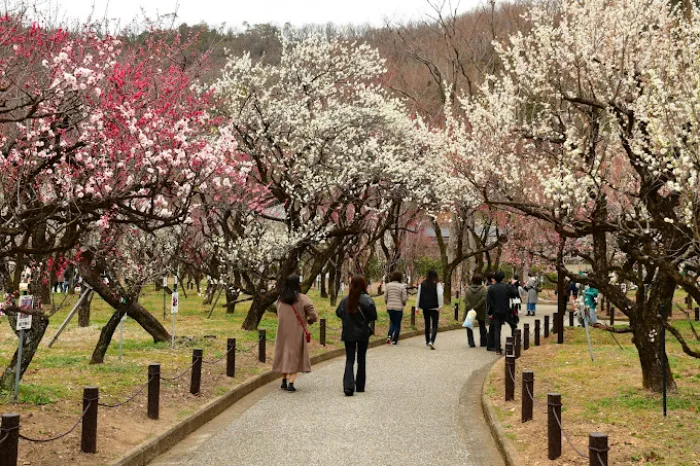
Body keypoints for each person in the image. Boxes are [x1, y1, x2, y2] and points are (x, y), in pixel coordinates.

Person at [272, 275, 318, 392]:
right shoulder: (303, 298)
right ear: (298, 284)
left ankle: (283, 381)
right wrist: (309, 320)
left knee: (284, 354)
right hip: (297, 331)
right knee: (294, 356)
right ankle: (291, 383)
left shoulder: (280, 299)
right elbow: (313, 315)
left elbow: (278, 313)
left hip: (282, 332)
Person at [336, 275, 377, 396]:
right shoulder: (367, 300)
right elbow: (373, 316)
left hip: (348, 332)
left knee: (349, 359)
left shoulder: (345, 300)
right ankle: (360, 386)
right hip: (363, 333)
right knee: (361, 358)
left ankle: (348, 386)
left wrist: (347, 319)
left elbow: (339, 312)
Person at [487, 270, 519, 355]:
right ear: (503, 278)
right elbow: (515, 294)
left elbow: (489, 302)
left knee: (497, 330)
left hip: (496, 311)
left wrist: (489, 313)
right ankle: (514, 343)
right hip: (506, 310)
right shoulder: (507, 287)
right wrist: (512, 285)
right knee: (513, 325)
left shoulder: (491, 288)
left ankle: (498, 349)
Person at [415, 270, 444, 350]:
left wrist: (417, 307)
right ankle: (432, 341)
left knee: (427, 324)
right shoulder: (437, 284)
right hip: (434, 307)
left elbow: (418, 296)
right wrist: (440, 305)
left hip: (425, 307)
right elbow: (440, 294)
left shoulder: (422, 284)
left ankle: (427, 341)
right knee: (434, 325)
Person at [384, 271, 407, 345]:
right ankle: (395, 340)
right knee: (397, 324)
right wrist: (404, 304)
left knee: (392, 322)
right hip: (398, 308)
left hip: (390, 307)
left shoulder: (388, 285)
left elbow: (385, 297)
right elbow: (404, 298)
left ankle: (389, 336)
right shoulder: (402, 286)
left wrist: (387, 303)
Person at [463, 274, 487, 347]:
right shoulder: (483, 289)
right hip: (480, 310)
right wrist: (477, 306)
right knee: (482, 325)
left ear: (472, 280)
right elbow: (484, 299)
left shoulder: (467, 289)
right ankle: (483, 342)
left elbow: (465, 300)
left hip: (470, 310)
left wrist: (471, 307)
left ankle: (471, 342)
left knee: (469, 326)